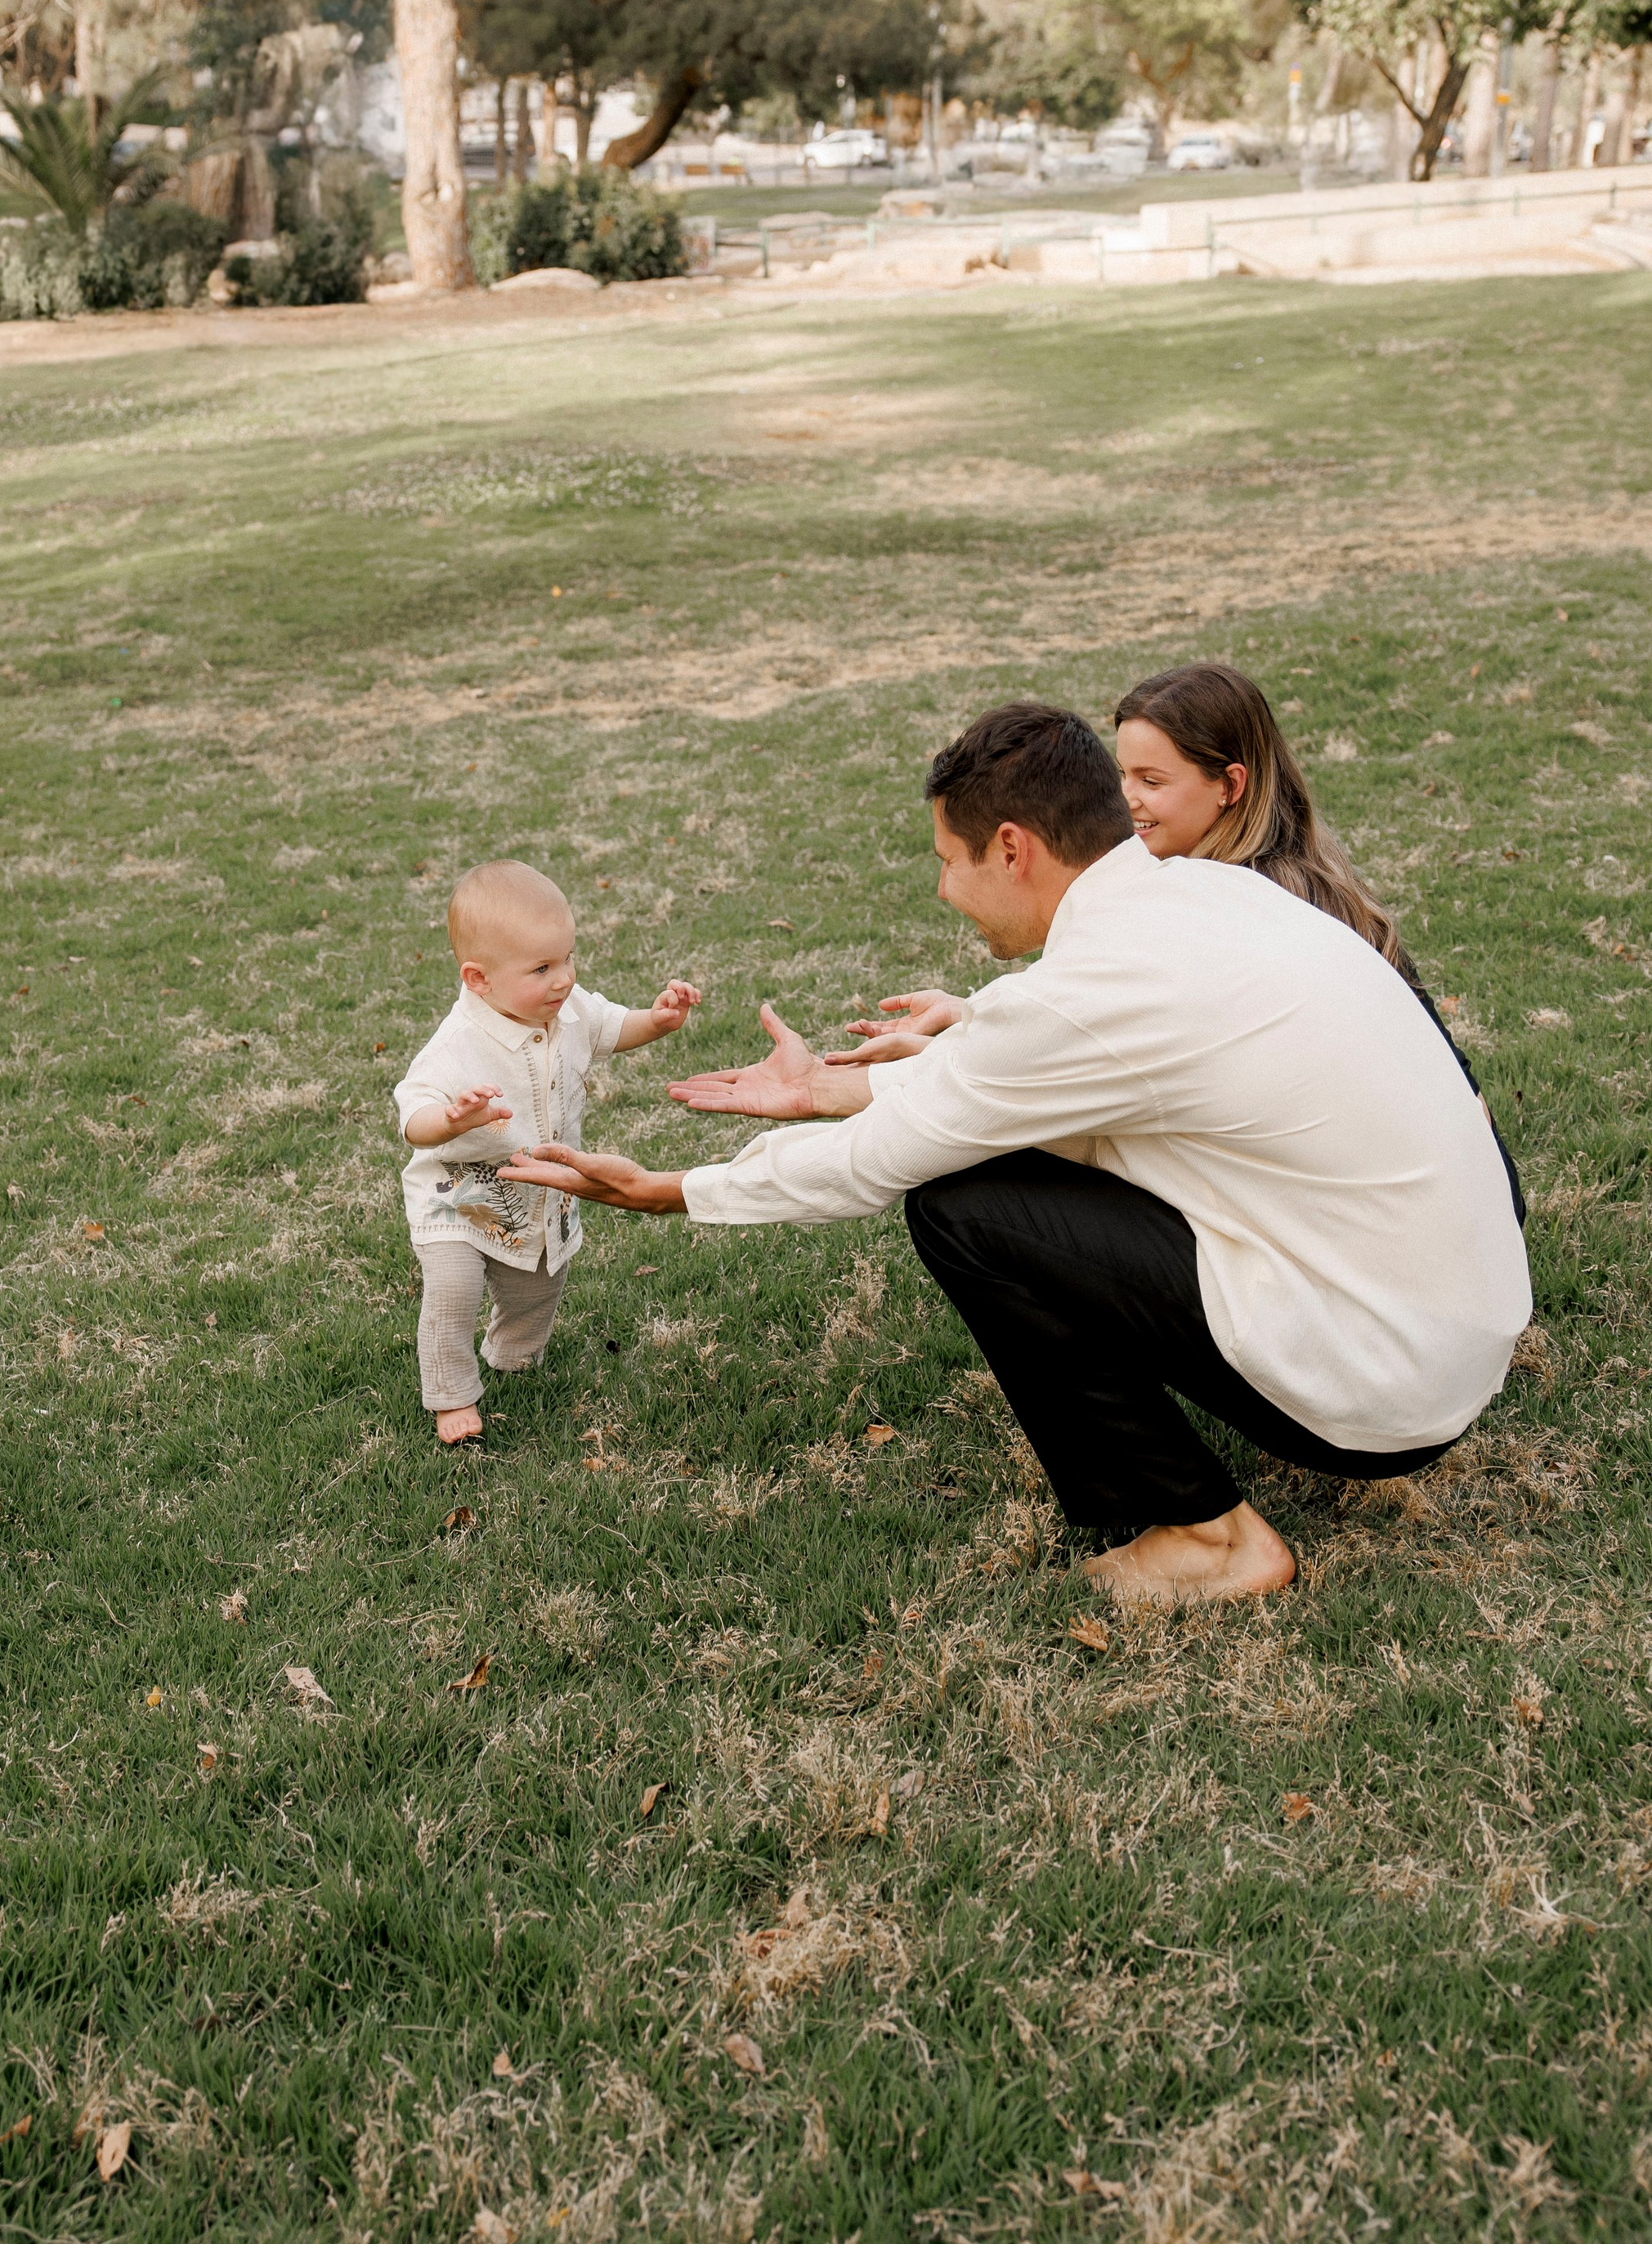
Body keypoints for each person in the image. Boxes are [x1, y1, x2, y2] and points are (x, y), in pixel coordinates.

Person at [504, 703, 1531, 1606]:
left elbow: (898, 1153)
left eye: (947, 860)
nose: (945, 889)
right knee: (1012, 1168)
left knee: (968, 1209)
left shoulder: (1091, 996)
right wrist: (835, 1089)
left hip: (1386, 1384)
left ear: (1010, 848)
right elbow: (1025, 1084)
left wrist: (675, 1190)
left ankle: (1202, 1537)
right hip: (1454, 1324)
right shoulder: (1207, 895)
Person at [848, 659, 1522, 1216]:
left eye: (1152, 781)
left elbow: (1140, 1055)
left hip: (1400, 1213)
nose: (1125, 799)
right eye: (1121, 774)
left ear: (1230, 785)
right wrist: (973, 1023)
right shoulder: (1215, 877)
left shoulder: (1263, 902)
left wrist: (960, 1058)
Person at [394, 858, 700, 1446]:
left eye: (568, 958)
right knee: (454, 1288)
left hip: (538, 1190)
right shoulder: (458, 1044)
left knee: (538, 1283)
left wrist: (658, 1021)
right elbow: (414, 1116)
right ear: (479, 979)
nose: (563, 979)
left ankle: (513, 1354)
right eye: (542, 968)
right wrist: (451, 1117)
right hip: (460, 1194)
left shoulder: (569, 1006)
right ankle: (452, 1392)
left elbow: (612, 1026)